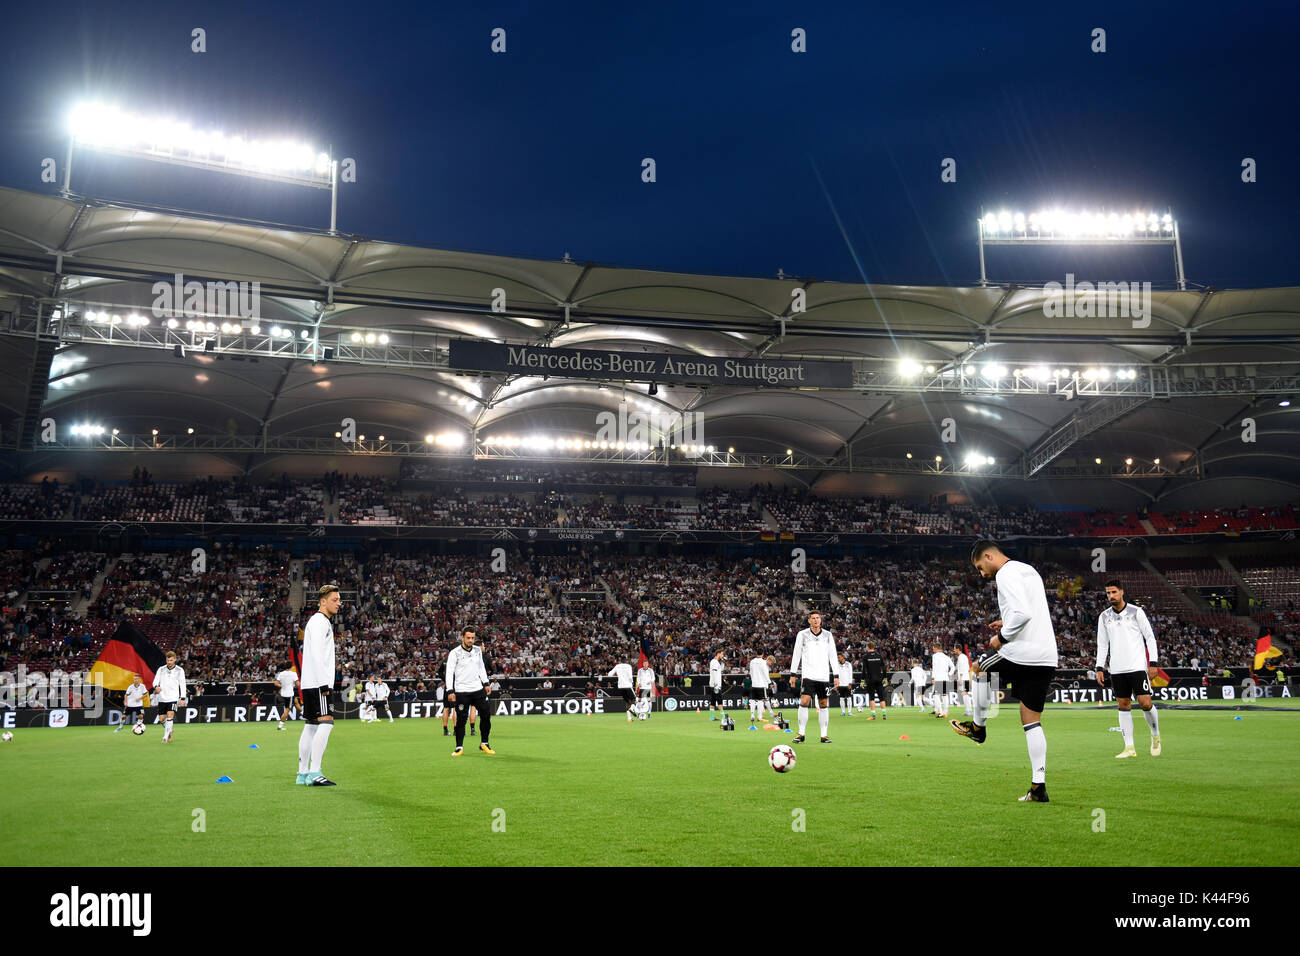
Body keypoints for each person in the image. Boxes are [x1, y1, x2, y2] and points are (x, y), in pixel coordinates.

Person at [953, 541, 1058, 803]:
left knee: (977, 669)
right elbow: (1028, 609)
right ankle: (1038, 787)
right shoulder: (1028, 570)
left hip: (1021, 652)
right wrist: (1008, 619)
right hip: (1045, 656)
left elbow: (1022, 614)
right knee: (1031, 720)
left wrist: (1001, 636)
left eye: (980, 567)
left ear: (989, 556)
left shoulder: (1005, 573)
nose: (982, 573)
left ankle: (978, 728)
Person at [1096, 580, 1162, 758]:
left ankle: (1155, 736)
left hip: (1137, 666)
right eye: (1108, 593)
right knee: (1123, 705)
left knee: (1145, 703)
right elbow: (1102, 644)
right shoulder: (1104, 616)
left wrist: (1153, 662)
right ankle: (1129, 748)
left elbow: (1149, 637)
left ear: (1122, 592)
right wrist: (1099, 667)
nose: (1111, 596)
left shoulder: (1136, 612)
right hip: (1117, 669)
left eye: (1114, 592)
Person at [297, 585, 341, 786]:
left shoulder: (315, 622)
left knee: (311, 726)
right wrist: (324, 683)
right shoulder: (320, 622)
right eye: (335, 599)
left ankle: (302, 774)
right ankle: (315, 773)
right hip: (318, 682)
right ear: (323, 601)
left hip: (310, 682)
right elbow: (315, 653)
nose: (339, 603)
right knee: (326, 723)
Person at [788, 610, 838, 744]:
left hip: (823, 676)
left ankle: (824, 735)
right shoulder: (802, 634)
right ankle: (801, 733)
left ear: (820, 620)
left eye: (818, 617)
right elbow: (796, 654)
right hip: (808, 675)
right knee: (804, 701)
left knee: (823, 703)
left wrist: (836, 675)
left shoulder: (828, 635)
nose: (816, 620)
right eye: (813, 618)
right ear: (809, 620)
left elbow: (833, 655)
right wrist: (793, 674)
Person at [446, 627, 493, 756]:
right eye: (468, 638)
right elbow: (449, 673)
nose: (471, 640)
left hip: (478, 689)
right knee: (461, 720)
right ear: (462, 637)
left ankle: (484, 743)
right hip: (462, 691)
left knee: (486, 715)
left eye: (472, 638)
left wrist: (486, 683)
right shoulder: (454, 653)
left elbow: (481, 668)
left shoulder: (478, 650)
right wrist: (450, 690)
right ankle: (459, 747)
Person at [151, 651, 187, 744]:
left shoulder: (180, 670)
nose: (169, 662)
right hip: (162, 698)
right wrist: (156, 687)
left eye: (171, 660)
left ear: (175, 659)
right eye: (168, 660)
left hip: (173, 698)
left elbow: (182, 685)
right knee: (161, 719)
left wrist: (182, 698)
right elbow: (155, 681)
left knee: (170, 715)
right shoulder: (161, 669)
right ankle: (170, 731)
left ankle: (165, 737)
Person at [749, 653, 775, 727]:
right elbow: (766, 675)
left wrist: (753, 680)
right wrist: (770, 683)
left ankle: (752, 715)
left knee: (753, 700)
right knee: (761, 700)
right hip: (761, 685)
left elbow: (751, 672)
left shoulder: (752, 661)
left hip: (754, 684)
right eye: (771, 663)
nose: (771, 664)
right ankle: (760, 717)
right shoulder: (764, 663)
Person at [930, 644, 954, 718]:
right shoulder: (946, 657)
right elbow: (953, 667)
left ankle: (940, 712)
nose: (933, 650)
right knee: (945, 695)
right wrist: (949, 674)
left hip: (938, 678)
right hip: (945, 678)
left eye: (933, 648)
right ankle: (945, 712)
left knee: (936, 695)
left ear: (937, 648)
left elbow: (935, 667)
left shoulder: (935, 656)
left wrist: (933, 678)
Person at [864, 644, 887, 719]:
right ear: (874, 647)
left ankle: (873, 716)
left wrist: (862, 680)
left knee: (872, 698)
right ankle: (884, 715)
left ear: (868, 647)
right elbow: (884, 668)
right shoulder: (879, 655)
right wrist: (885, 678)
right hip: (879, 679)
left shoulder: (866, 656)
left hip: (870, 680)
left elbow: (864, 670)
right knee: (881, 697)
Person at [274, 664, 298, 730]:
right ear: (291, 667)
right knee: (287, 710)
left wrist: (282, 686)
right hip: (289, 694)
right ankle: (280, 726)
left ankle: (303, 714)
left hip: (283, 693)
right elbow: (297, 684)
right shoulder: (293, 673)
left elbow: (275, 683)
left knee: (295, 701)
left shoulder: (281, 673)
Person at [707, 650, 725, 721]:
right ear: (718, 654)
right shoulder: (714, 662)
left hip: (714, 685)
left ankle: (711, 717)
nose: (723, 656)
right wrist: (716, 685)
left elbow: (721, 670)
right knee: (719, 701)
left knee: (713, 701)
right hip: (715, 685)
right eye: (722, 654)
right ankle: (723, 717)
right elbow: (714, 673)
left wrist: (723, 663)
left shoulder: (716, 662)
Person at [955, 646, 972, 716]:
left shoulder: (961, 657)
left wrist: (961, 678)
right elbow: (966, 668)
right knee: (965, 694)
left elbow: (962, 668)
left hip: (964, 678)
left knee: (965, 694)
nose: (954, 650)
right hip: (965, 677)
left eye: (954, 649)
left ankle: (969, 711)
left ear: (958, 649)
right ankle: (968, 710)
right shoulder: (963, 656)